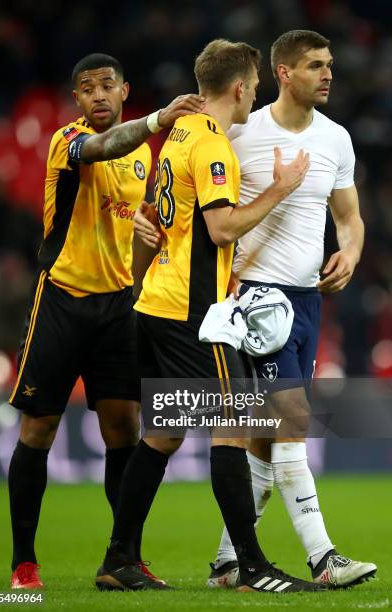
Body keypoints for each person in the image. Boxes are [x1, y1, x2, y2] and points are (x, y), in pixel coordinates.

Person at [135, 31, 377, 589]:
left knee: (266, 439)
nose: (329, 74)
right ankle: (323, 557)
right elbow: (187, 197)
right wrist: (150, 224)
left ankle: (227, 561)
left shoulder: (336, 140)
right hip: (253, 299)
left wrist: (351, 252)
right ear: (284, 73)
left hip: (307, 299)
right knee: (288, 425)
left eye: (331, 64)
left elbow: (349, 215)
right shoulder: (239, 131)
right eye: (316, 65)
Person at [95, 39, 327, 594]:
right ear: (242, 88)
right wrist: (281, 186)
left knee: (165, 435)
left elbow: (156, 212)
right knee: (236, 427)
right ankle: (249, 567)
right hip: (192, 313)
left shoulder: (176, 135)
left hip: (155, 303)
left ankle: (119, 559)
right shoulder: (212, 143)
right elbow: (222, 228)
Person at [8, 52, 205, 590]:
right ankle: (24, 563)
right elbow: (103, 146)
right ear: (77, 99)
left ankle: (122, 559)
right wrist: (159, 119)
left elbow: (139, 226)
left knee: (124, 430)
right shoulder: (68, 141)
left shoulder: (145, 161)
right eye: (86, 87)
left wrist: (146, 242)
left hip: (120, 307)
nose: (96, 94)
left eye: (106, 86)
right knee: (39, 428)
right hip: (62, 299)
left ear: (123, 91)